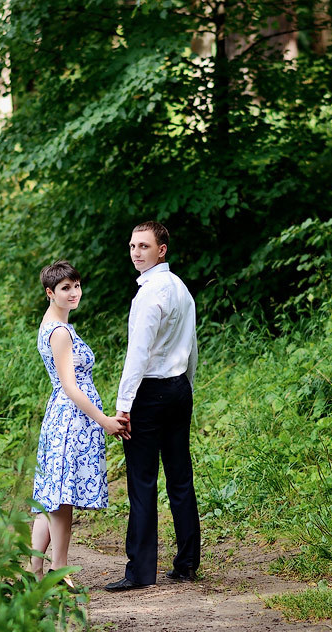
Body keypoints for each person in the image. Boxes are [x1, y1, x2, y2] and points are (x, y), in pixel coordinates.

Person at [104, 221, 201, 591]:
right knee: (180, 477)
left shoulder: (150, 294)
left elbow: (137, 355)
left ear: (162, 249)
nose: (135, 252)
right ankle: (187, 563)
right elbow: (191, 345)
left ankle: (141, 573)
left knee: (142, 483)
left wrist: (123, 406)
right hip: (178, 390)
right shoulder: (180, 288)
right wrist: (186, 387)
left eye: (143, 246)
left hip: (150, 393)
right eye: (132, 246)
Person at [31, 260, 129, 590]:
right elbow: (70, 386)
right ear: (50, 293)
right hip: (71, 419)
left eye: (76, 285)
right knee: (61, 498)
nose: (74, 293)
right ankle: (58, 569)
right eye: (65, 288)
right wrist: (103, 421)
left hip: (65, 418)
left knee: (52, 495)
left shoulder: (55, 325)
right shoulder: (59, 332)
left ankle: (36, 571)